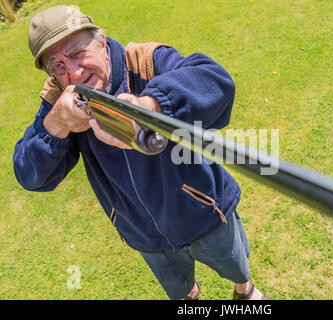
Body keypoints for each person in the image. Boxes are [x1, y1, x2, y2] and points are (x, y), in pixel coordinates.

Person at [13, 5, 268, 300]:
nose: (74, 72)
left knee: (237, 268)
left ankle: (245, 292)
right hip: (143, 234)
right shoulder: (61, 98)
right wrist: (56, 123)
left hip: (204, 212)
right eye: (57, 66)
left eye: (77, 53)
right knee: (181, 291)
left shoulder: (144, 61)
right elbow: (30, 175)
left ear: (102, 43)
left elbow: (215, 81)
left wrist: (150, 108)